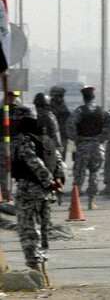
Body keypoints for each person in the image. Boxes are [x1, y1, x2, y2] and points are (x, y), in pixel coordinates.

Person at [11, 115, 65, 286]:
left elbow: (32, 161)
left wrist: (48, 180)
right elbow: (59, 162)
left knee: (29, 231)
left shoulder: (25, 139)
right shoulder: (47, 140)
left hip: (29, 190)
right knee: (44, 230)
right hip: (46, 193)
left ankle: (37, 274)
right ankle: (44, 273)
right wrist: (57, 180)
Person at [65, 86, 110, 210]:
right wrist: (104, 136)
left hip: (83, 145)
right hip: (97, 146)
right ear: (94, 97)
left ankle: (75, 202)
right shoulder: (101, 111)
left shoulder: (80, 111)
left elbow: (70, 123)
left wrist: (75, 137)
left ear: (84, 98)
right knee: (95, 173)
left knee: (79, 174)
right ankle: (91, 201)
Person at [48, 86, 71, 157]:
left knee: (61, 157)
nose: (62, 98)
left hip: (63, 135)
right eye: (60, 96)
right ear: (54, 96)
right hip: (51, 137)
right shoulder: (49, 108)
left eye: (62, 96)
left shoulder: (63, 107)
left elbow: (69, 121)